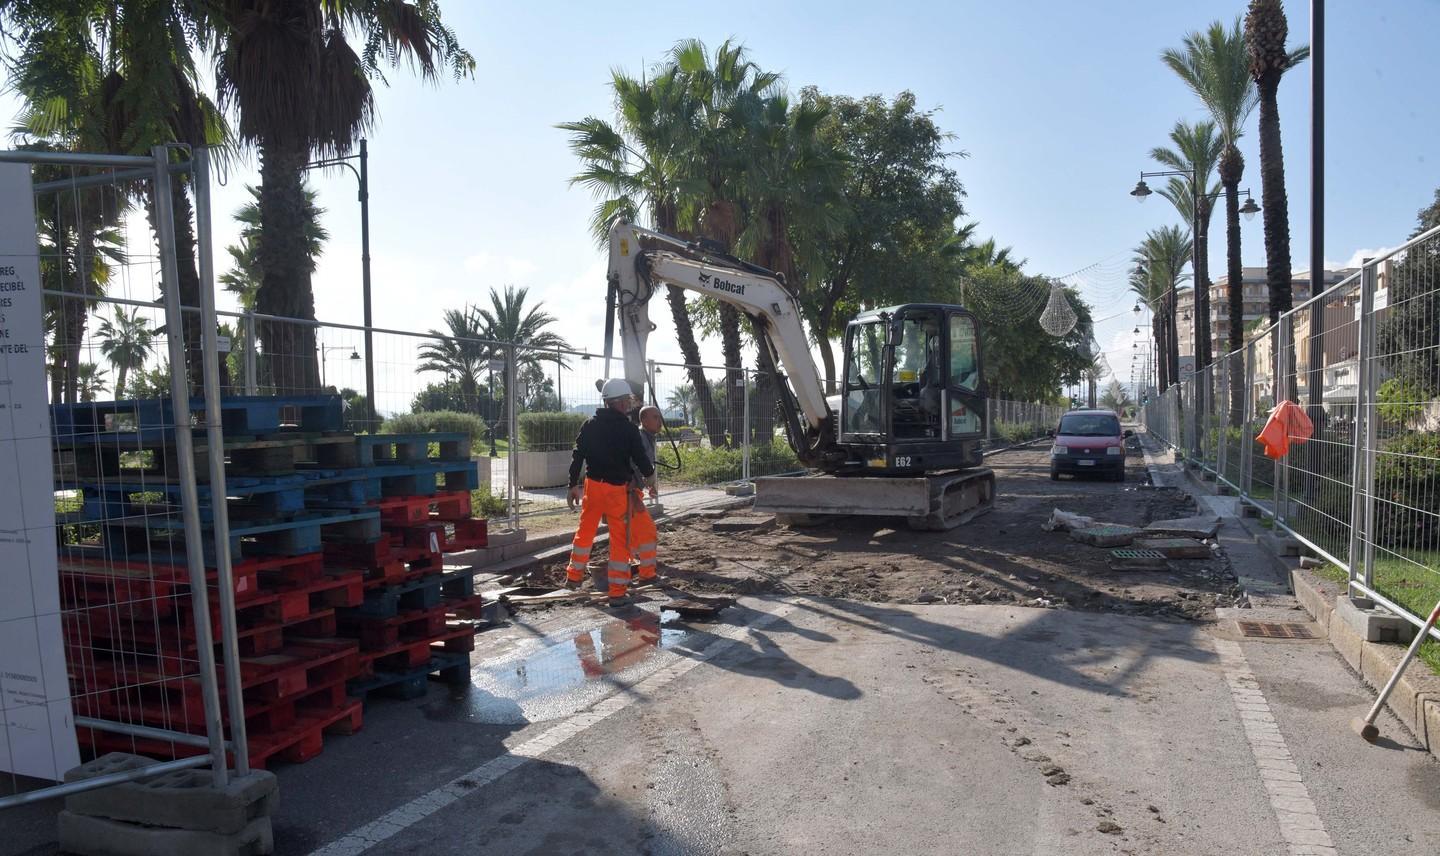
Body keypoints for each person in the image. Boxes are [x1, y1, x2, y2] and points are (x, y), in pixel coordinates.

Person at [564, 379, 655, 607]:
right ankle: (616, 592)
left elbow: (577, 456)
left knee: (585, 531)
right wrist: (650, 475)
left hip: (593, 487)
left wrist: (572, 485)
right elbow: (641, 460)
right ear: (623, 403)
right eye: (627, 401)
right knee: (619, 540)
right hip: (617, 491)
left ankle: (574, 576)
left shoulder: (589, 425)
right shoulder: (629, 429)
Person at [629, 405, 663, 585]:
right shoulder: (640, 438)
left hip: (631, 492)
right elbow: (631, 465)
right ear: (643, 420)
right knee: (648, 531)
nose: (660, 421)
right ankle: (647, 574)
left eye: (660, 417)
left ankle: (630, 563)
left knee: (631, 534)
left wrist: (648, 485)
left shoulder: (646, 438)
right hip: (628, 493)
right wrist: (633, 494)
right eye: (655, 417)